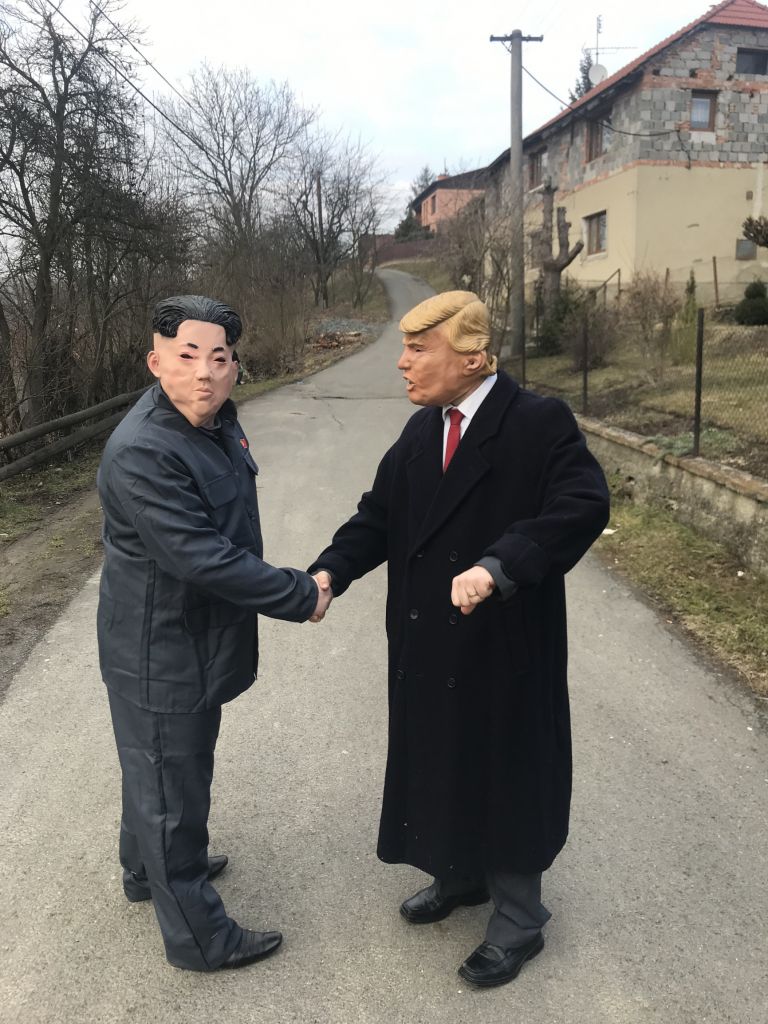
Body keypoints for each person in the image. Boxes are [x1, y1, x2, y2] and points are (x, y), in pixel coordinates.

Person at [309, 291, 610, 988]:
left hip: (503, 641)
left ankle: (520, 920)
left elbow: (582, 504)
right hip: (429, 640)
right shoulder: (423, 429)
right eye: (405, 348)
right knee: (441, 757)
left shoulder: (536, 422)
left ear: (472, 358)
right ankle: (460, 874)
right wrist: (330, 572)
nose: (402, 362)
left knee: (506, 769)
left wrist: (500, 565)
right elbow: (378, 517)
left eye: (419, 349)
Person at [97, 294, 330, 972]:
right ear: (155, 362)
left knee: (157, 771)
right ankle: (201, 939)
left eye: (219, 358)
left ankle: (145, 871)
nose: (204, 373)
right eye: (187, 356)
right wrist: (300, 594)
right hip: (160, 650)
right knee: (172, 791)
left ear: (234, 365)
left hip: (192, 639)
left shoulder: (216, 422)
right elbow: (201, 557)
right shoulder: (144, 450)